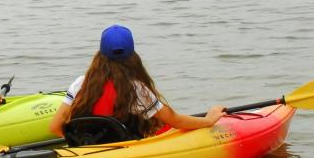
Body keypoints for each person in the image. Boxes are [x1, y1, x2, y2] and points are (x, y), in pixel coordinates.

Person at [48, 25, 226, 140]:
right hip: (122, 154)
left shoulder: (80, 84)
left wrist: (84, 142)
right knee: (160, 126)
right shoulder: (136, 88)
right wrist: (209, 120)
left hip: (87, 150)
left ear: (100, 54)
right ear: (133, 56)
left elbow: (55, 127)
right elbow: (175, 121)